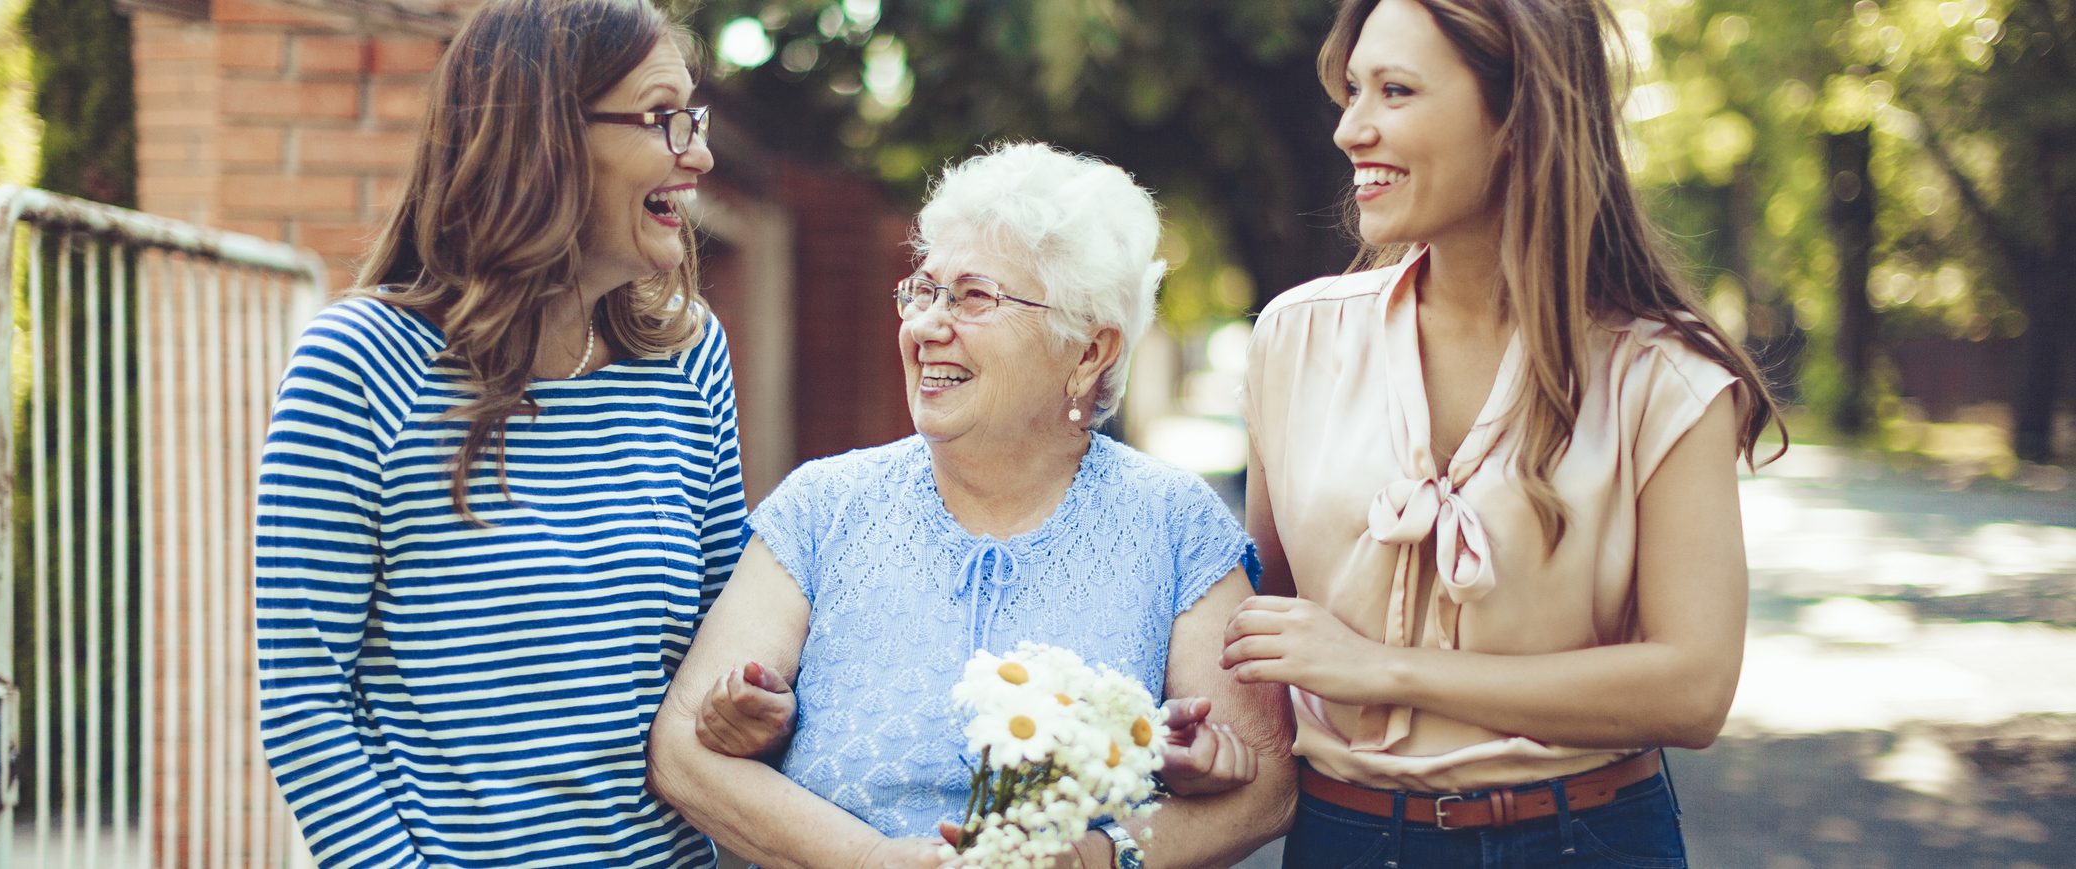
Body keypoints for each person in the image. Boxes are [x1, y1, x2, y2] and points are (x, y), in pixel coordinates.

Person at [1222, 0, 1786, 866]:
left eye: (1395, 91)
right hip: (1341, 837)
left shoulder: (1662, 377)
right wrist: (1210, 739)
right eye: (1351, 91)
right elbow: (1265, 629)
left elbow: (1692, 687)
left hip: (1588, 840)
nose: (1349, 129)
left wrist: (1385, 667)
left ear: (1518, 119)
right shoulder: (1293, 340)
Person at [644, 142, 1295, 868]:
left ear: (1087, 352)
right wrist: (866, 858)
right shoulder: (823, 507)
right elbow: (682, 750)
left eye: (973, 296)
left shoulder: (1173, 521)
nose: (926, 326)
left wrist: (1096, 859)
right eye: (921, 292)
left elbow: (1264, 781)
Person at [251, 1, 741, 866]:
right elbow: (305, 701)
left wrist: (753, 703)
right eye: (664, 118)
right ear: (546, 138)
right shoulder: (361, 365)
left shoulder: (687, 354)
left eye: (691, 119)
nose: (697, 152)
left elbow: (720, 647)